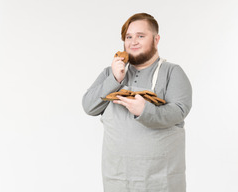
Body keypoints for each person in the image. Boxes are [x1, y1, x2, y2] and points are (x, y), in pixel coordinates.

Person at [82, 13, 192, 192]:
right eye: (128, 37)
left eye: (141, 36)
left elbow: (180, 110)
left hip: (161, 181)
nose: (133, 42)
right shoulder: (110, 73)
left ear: (156, 40)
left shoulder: (172, 72)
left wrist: (145, 111)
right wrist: (115, 79)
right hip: (117, 179)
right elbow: (89, 106)